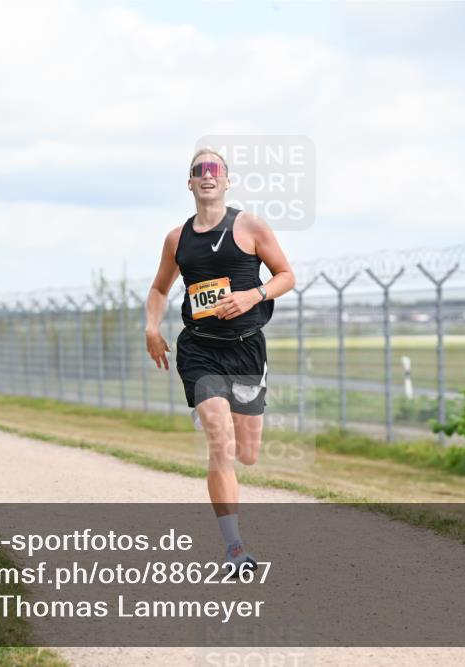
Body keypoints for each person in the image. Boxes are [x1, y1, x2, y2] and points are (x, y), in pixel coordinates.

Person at [145, 148, 295, 570]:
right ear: (189, 183)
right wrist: (152, 328)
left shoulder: (249, 225)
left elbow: (287, 274)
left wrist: (254, 294)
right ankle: (234, 550)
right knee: (221, 443)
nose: (207, 175)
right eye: (198, 170)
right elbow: (159, 289)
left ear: (227, 181)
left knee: (247, 453)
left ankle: (221, 413)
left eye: (215, 170)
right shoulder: (177, 239)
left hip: (246, 348)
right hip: (199, 348)